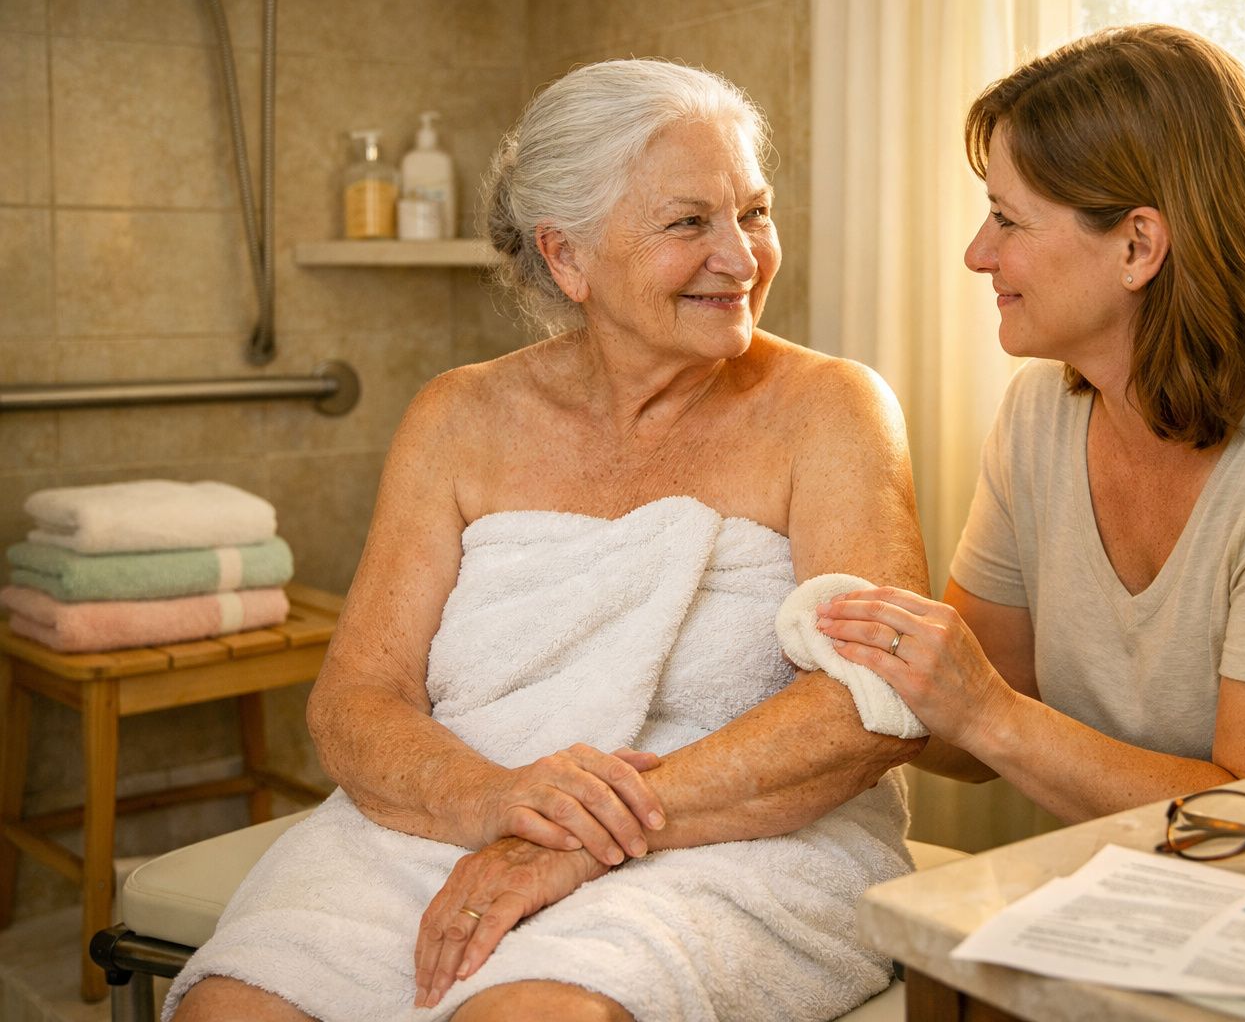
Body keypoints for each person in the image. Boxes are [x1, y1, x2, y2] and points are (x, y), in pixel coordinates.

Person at [167, 59, 928, 1022]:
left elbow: (872, 700)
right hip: (456, 816)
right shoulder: (458, 418)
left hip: (740, 839)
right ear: (566, 256)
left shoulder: (832, 411)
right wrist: (492, 801)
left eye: (755, 212)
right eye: (689, 223)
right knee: (235, 1012)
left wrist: (573, 838)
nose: (743, 258)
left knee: (529, 1014)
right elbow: (357, 700)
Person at [815, 24, 1245, 827]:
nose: (978, 254)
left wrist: (983, 712)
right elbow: (971, 736)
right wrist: (830, 646)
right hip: (1165, 902)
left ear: (1138, 246)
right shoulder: (1039, 416)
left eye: (1008, 220)